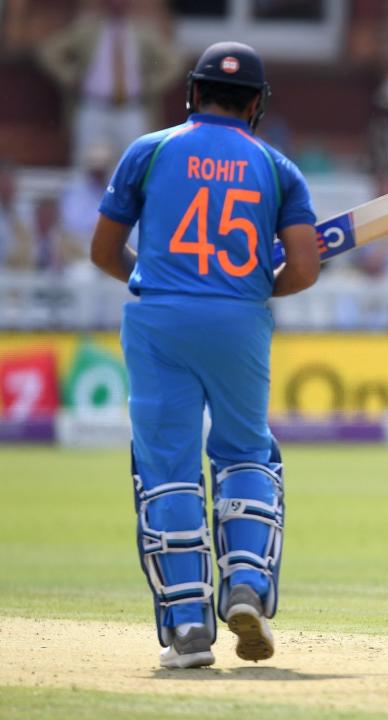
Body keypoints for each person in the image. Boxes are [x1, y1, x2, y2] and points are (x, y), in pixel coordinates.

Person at [90, 41, 320, 669]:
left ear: (192, 93)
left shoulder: (151, 149)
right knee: (245, 451)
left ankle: (187, 629)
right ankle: (245, 581)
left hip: (157, 316)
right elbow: (303, 266)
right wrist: (240, 285)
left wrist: (162, 278)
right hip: (239, 321)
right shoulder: (277, 167)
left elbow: (104, 251)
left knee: (167, 466)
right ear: (257, 105)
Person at [35, 0, 182, 163]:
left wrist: (150, 85)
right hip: (93, 106)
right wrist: (71, 78)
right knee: (86, 161)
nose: (117, 4)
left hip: (132, 108)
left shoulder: (143, 30)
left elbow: (173, 62)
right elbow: (49, 51)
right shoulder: (88, 29)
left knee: (135, 161)